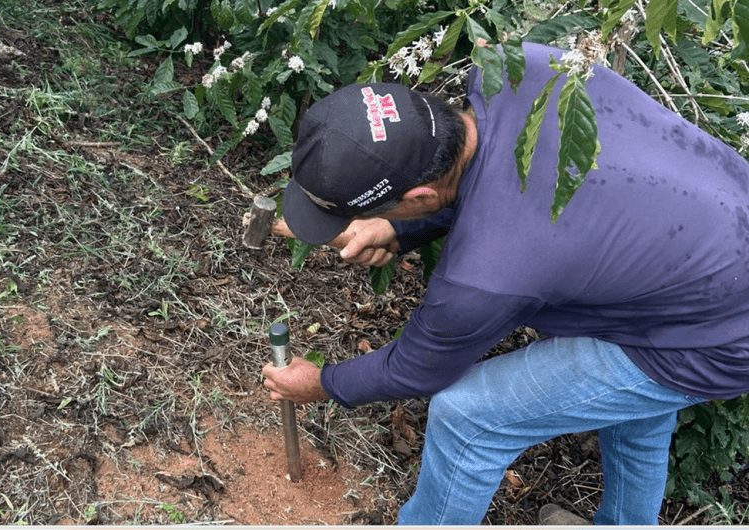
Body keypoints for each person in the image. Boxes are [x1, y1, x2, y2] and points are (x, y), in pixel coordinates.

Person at [261, 41, 749, 525]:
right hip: (703, 253)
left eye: (372, 209)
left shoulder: (484, 277)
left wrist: (322, 382)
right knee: (637, 411)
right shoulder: (516, 64)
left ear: (421, 194)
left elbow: (415, 370)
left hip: (720, 336)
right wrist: (398, 225)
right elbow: (501, 179)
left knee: (469, 417)